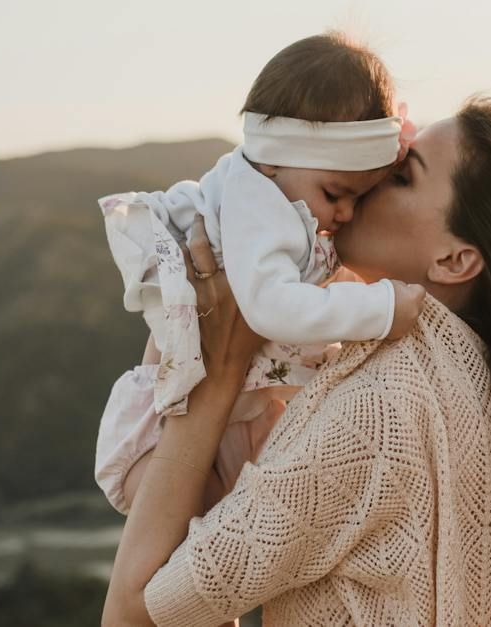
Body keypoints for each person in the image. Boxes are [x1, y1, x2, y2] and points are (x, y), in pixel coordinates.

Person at [100, 97, 491, 626]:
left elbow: (134, 614)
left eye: (400, 175)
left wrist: (211, 378)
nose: (367, 178)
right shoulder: (481, 388)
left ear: (454, 261)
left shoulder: (376, 412)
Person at [94, 33, 423, 511]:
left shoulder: (280, 185)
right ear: (273, 158)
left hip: (231, 416)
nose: (346, 214)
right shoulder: (256, 200)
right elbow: (271, 307)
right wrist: (383, 308)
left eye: (359, 197)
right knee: (192, 546)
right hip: (165, 432)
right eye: (335, 194)